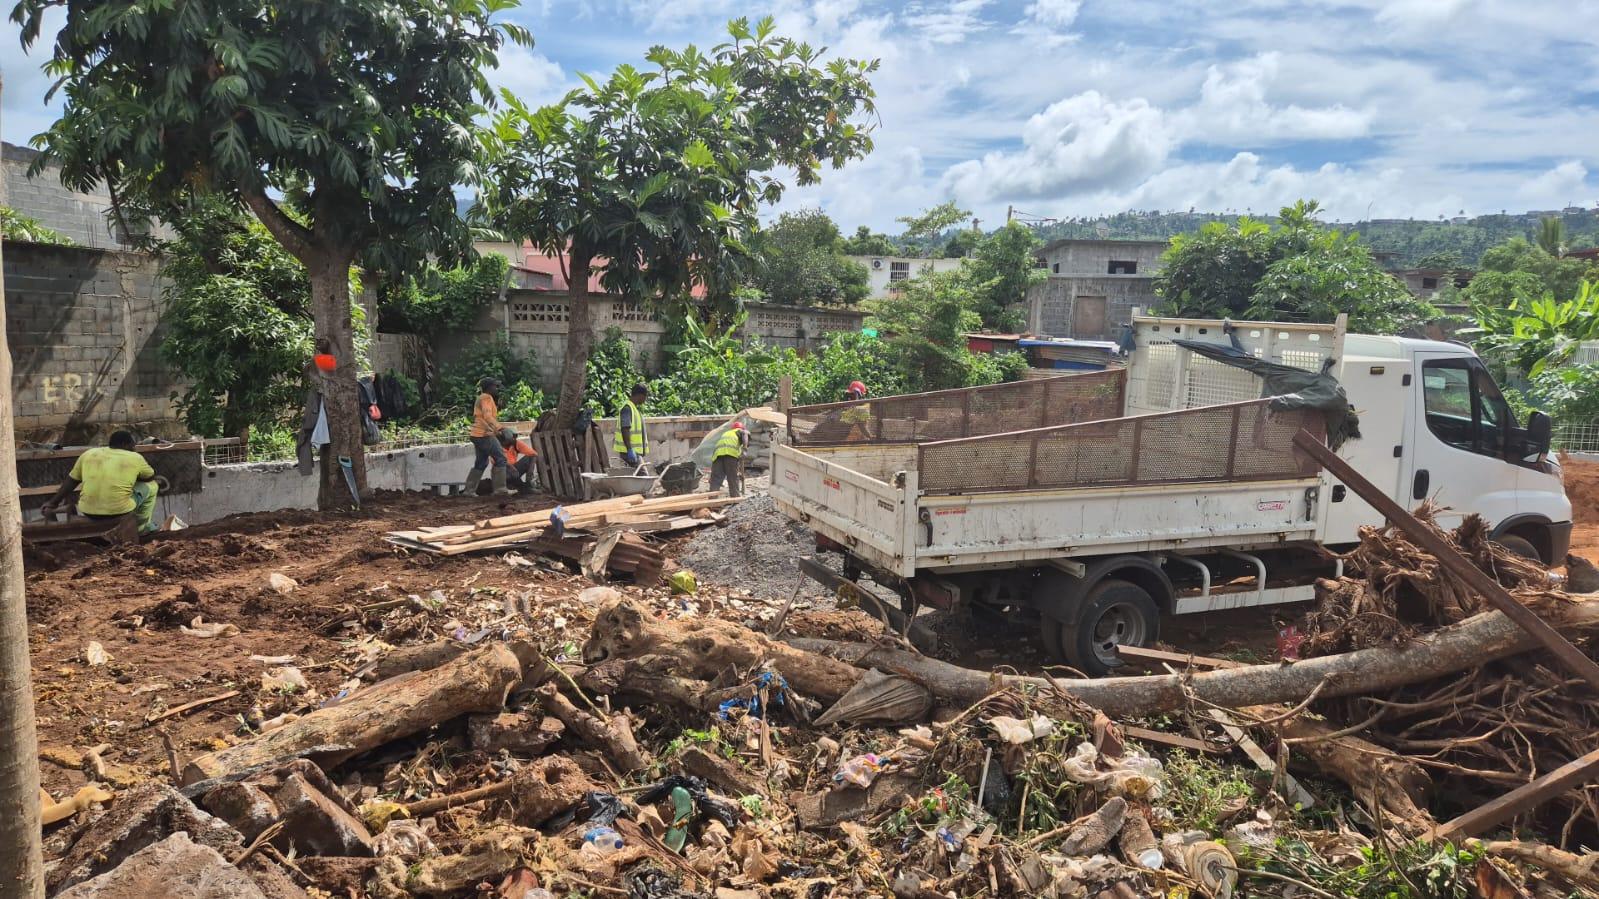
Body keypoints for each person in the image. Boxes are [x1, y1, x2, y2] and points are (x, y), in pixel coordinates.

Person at [42, 430, 159, 535]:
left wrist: (53, 502)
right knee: (153, 486)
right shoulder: (135, 457)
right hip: (119, 512)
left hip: (88, 511)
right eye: (132, 446)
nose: (134, 449)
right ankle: (141, 528)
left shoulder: (88, 453)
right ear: (125, 444)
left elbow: (72, 480)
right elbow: (149, 477)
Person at [464, 378, 511, 495]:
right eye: (495, 386)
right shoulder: (486, 398)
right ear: (489, 387)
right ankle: (500, 489)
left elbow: (484, 418)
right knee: (501, 458)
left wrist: (497, 430)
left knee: (481, 462)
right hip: (484, 435)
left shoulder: (482, 398)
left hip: (477, 434)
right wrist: (501, 428)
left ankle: (469, 491)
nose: (496, 388)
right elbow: (487, 416)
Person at [613, 383, 651, 468]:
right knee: (644, 478)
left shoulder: (634, 409)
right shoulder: (627, 408)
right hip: (630, 453)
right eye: (645, 396)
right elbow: (625, 429)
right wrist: (630, 449)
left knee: (634, 478)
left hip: (634, 453)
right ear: (640, 395)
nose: (645, 399)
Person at [709, 421, 748, 497]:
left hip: (717, 455)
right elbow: (745, 433)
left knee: (716, 479)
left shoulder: (726, 433)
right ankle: (735, 498)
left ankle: (712, 500)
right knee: (732, 478)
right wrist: (745, 449)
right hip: (730, 454)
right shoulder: (740, 431)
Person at [498, 427, 538, 495]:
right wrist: (511, 467)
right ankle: (521, 488)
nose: (513, 440)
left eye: (513, 438)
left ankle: (527, 484)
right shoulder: (495, 447)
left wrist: (530, 472)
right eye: (510, 439)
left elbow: (534, 454)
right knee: (508, 470)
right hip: (502, 473)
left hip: (514, 470)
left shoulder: (515, 443)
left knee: (528, 458)